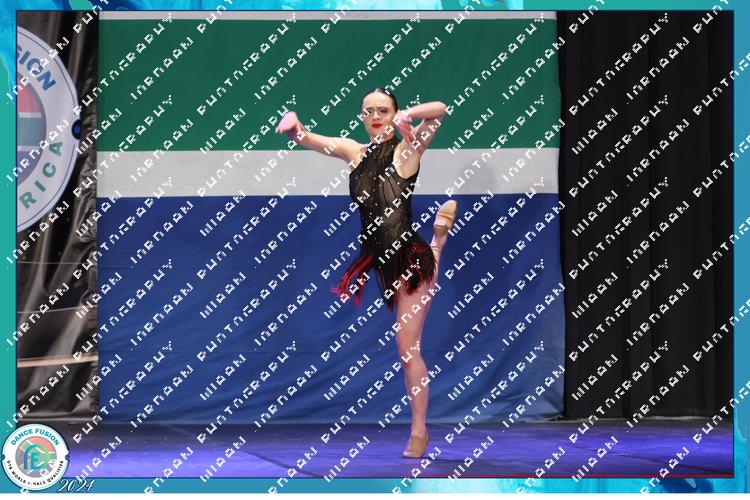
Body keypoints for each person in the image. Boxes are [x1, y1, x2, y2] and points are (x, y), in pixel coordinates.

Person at [275, 87, 457, 458]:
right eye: (368, 110)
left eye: (383, 110)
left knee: (407, 350)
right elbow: (307, 138)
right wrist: (294, 128)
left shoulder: (407, 149)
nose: (375, 116)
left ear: (394, 113)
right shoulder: (353, 151)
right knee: (405, 346)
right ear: (361, 116)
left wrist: (410, 115)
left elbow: (440, 109)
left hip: (410, 260)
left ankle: (419, 431)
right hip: (380, 261)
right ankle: (440, 237)